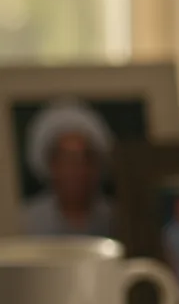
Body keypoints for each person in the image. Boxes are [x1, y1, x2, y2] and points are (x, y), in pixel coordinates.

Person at [20, 99, 115, 237]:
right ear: (51, 165)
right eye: (67, 160)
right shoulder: (26, 221)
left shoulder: (116, 218)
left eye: (85, 159)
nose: (77, 170)